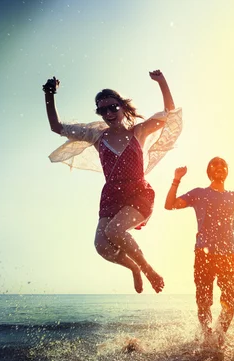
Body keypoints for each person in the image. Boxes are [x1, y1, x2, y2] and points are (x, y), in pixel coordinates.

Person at [43, 70, 183, 294]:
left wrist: (162, 82)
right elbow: (57, 127)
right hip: (111, 195)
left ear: (122, 107)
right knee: (102, 245)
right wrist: (49, 95)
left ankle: (148, 270)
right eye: (102, 109)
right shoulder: (97, 136)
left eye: (112, 107)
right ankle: (135, 268)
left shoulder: (139, 131)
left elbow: (169, 113)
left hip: (138, 192)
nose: (108, 113)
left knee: (115, 231)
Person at [164, 158, 234, 346]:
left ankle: (218, 335)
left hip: (229, 256)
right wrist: (176, 180)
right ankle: (207, 337)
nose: (220, 168)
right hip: (204, 254)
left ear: (227, 172)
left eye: (223, 166)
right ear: (209, 171)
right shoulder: (199, 193)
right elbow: (170, 204)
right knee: (203, 301)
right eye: (215, 166)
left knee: (230, 303)